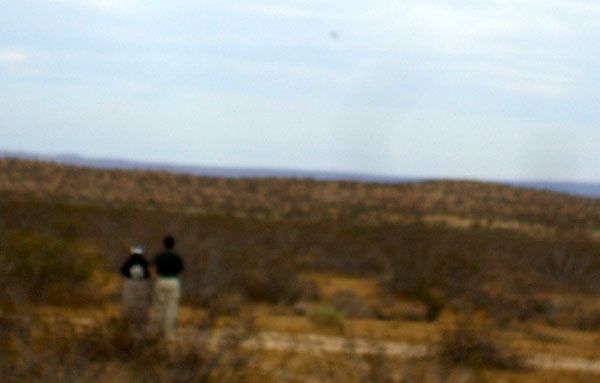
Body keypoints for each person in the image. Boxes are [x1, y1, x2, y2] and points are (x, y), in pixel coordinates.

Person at [151, 235, 184, 335]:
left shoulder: (159, 255)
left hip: (161, 280)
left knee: (159, 307)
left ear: (163, 244)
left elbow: (151, 267)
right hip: (173, 281)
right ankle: (169, 332)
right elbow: (181, 270)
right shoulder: (177, 256)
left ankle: (158, 330)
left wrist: (155, 278)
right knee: (171, 307)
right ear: (174, 244)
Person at [120, 245, 151, 326]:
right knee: (141, 302)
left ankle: (128, 318)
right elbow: (148, 274)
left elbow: (123, 271)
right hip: (142, 283)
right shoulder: (144, 262)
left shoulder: (129, 261)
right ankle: (140, 319)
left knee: (129, 301)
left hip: (130, 282)